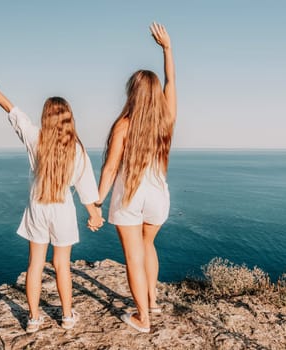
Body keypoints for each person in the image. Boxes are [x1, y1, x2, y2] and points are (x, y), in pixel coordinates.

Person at [0, 66, 104, 333]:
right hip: (62, 210)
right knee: (62, 265)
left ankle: (33, 318)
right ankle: (66, 316)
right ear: (69, 119)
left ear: (46, 118)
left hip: (38, 209)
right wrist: (95, 215)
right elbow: (87, 188)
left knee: (35, 265)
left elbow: (14, 112)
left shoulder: (36, 139)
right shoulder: (77, 149)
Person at [96, 22, 177, 333]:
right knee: (148, 245)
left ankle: (143, 317)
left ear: (132, 92)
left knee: (133, 256)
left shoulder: (124, 125)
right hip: (159, 196)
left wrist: (98, 202)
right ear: (155, 94)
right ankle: (153, 299)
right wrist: (167, 48)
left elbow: (111, 168)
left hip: (129, 195)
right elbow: (171, 80)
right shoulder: (166, 120)